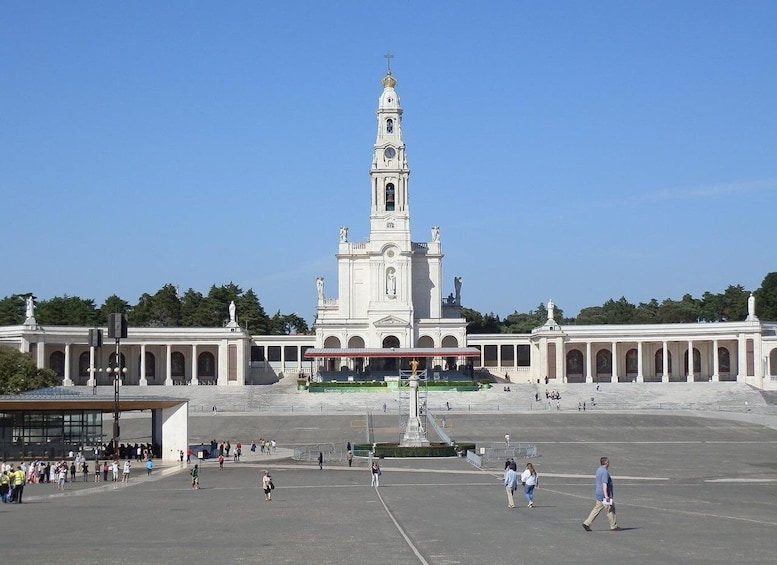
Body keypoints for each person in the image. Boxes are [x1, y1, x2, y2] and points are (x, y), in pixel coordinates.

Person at [582, 456, 619, 531]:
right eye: (608, 462)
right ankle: (613, 526)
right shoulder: (604, 472)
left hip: (598, 493)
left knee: (597, 509)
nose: (609, 463)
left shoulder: (599, 470)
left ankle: (586, 523)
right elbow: (604, 484)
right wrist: (606, 496)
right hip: (604, 494)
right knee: (610, 509)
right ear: (606, 463)